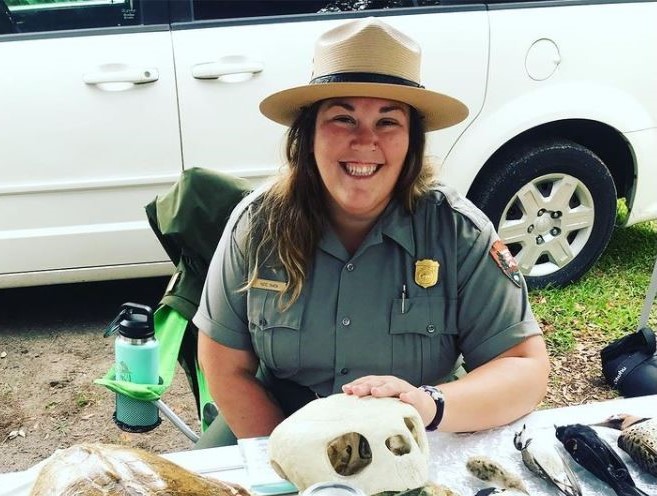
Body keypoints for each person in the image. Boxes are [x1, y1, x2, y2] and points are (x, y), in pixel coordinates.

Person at [193, 17, 550, 447]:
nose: (365, 141)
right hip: (275, 423)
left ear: (412, 142)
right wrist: (288, 456)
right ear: (307, 136)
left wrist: (429, 405)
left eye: (387, 122)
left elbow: (524, 367)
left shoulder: (459, 233)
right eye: (343, 118)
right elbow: (223, 365)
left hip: (411, 433)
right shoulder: (257, 225)